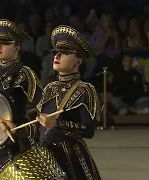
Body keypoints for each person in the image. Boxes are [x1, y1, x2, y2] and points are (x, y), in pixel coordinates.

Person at [36, 25, 102, 180]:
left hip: (72, 160)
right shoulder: (49, 88)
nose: (57, 56)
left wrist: (57, 124)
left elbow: (88, 130)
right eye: (55, 52)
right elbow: (38, 125)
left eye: (64, 53)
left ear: (78, 62)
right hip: (47, 158)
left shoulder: (86, 89)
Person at [0, 19, 43, 168]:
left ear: (17, 47)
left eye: (6, 43)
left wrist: (21, 126)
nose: (0, 46)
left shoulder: (24, 74)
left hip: (20, 143)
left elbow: (44, 105)